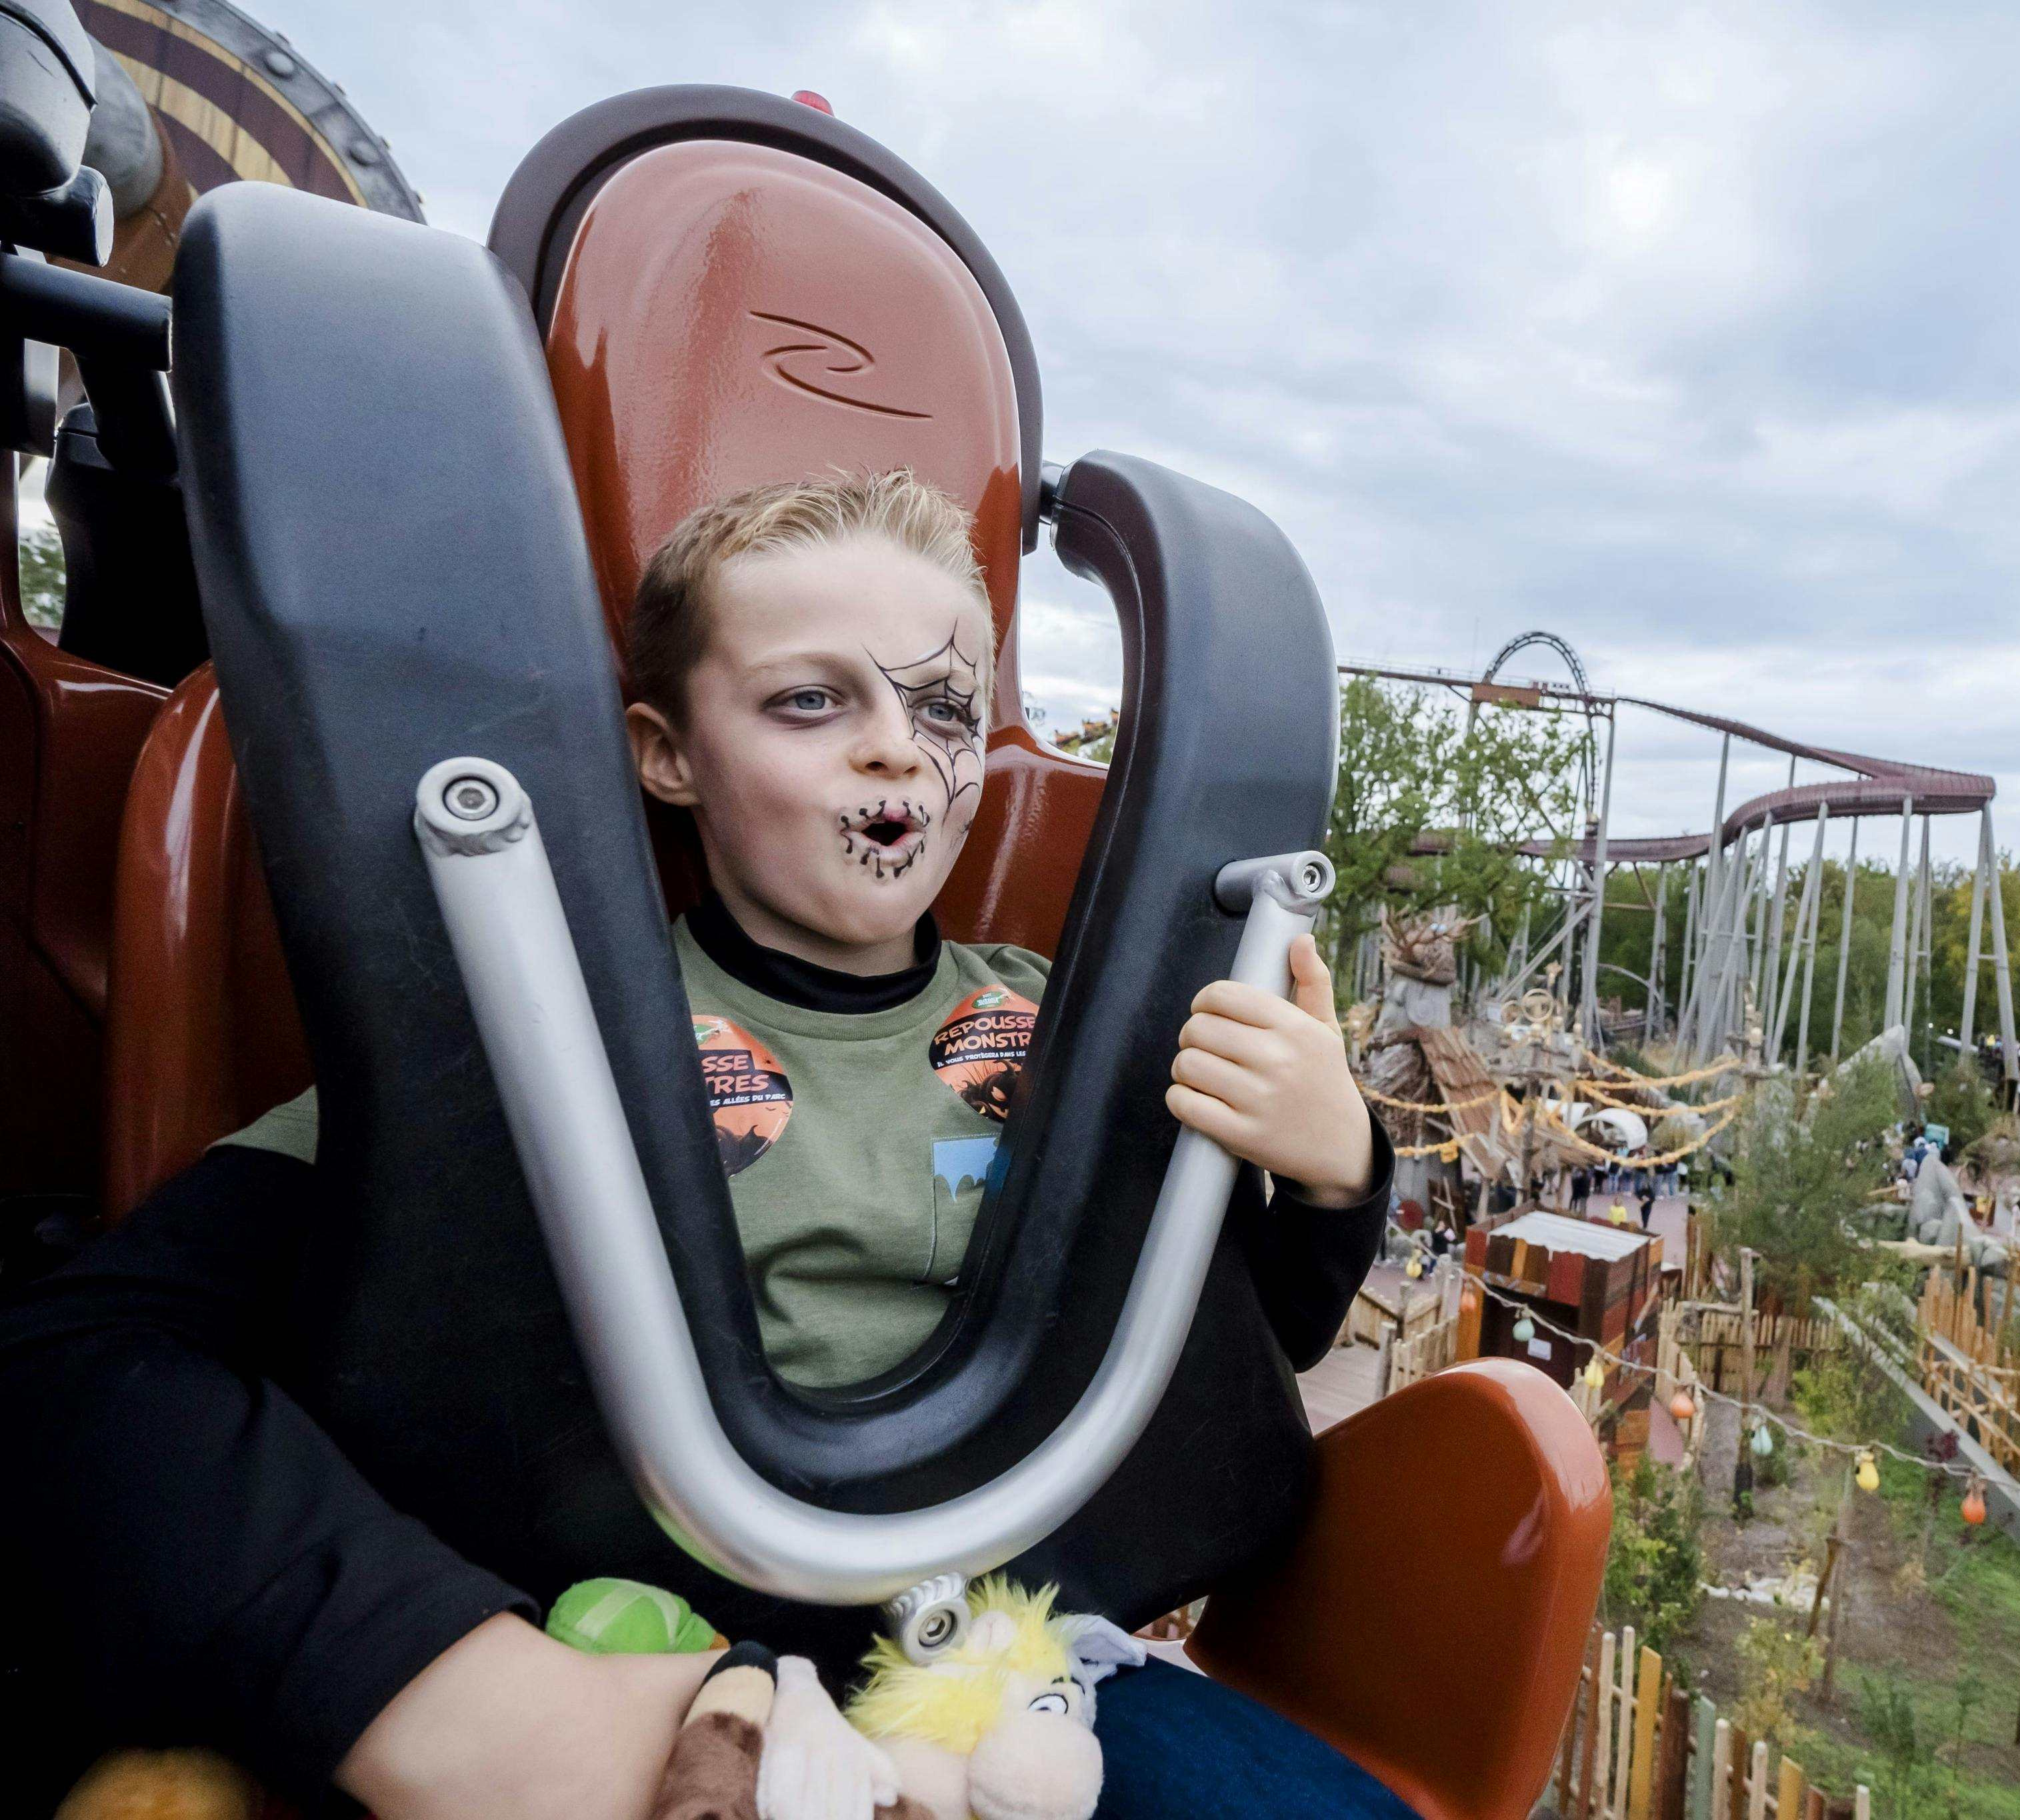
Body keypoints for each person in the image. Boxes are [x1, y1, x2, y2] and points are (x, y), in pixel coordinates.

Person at [0, 471, 1406, 1820]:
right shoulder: (550, 1034)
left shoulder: (1067, 1023)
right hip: (637, 1651)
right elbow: (84, 1360)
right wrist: (424, 1674)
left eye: (942, 706)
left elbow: (1232, 1353)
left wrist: (1334, 1170)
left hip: (1008, 1659)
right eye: (811, 700)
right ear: (667, 752)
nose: (895, 749)